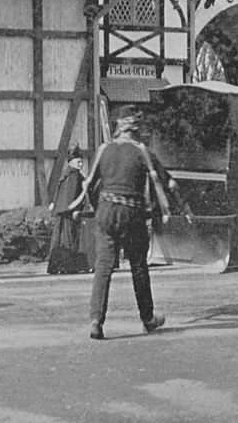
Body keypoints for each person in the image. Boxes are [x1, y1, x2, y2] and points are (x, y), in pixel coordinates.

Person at [80, 105, 179, 340]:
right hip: (131, 213)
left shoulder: (103, 150)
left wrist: (99, 210)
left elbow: (90, 186)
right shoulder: (141, 151)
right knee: (138, 266)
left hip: (105, 210)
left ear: (118, 127)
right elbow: (169, 184)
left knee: (103, 267)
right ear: (136, 129)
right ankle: (147, 318)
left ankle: (96, 321)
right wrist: (179, 206)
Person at [46, 145, 92, 275]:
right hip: (69, 213)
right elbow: (71, 196)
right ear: (71, 162)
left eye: (81, 161)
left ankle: (59, 266)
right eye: (78, 161)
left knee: (60, 240)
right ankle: (69, 266)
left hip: (62, 212)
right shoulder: (74, 175)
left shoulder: (65, 174)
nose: (81, 163)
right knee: (70, 240)